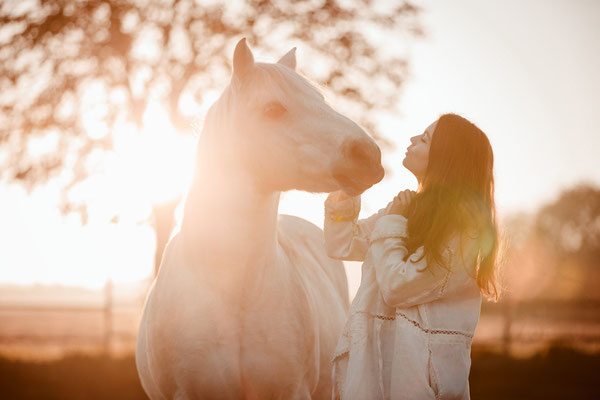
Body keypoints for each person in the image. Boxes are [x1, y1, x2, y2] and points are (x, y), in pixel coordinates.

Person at [324, 113, 500, 400]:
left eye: (425, 139)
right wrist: (347, 189)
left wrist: (392, 224)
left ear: (447, 158)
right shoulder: (407, 209)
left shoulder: (465, 229)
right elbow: (340, 244)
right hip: (373, 375)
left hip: (420, 387)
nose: (412, 139)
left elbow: (399, 287)